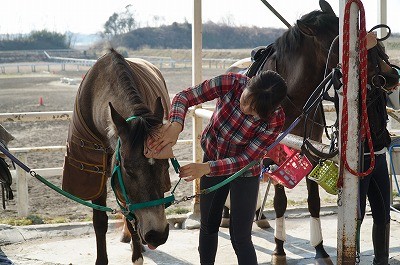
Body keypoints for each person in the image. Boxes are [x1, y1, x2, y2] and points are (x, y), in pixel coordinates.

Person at [147, 70, 287, 264]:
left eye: (254, 111)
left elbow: (247, 158)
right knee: (208, 226)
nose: (245, 108)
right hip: (213, 155)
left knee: (241, 237)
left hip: (245, 172)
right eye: (246, 99)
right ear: (248, 84)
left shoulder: (276, 119)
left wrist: (207, 168)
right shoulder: (231, 82)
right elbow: (184, 96)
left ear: (270, 110)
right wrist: (176, 125)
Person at [358, 32, 400, 265]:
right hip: (358, 154)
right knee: (357, 214)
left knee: (383, 212)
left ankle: (381, 261)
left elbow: (393, 83)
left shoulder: (380, 77)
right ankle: (351, 256)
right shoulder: (348, 76)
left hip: (378, 149)